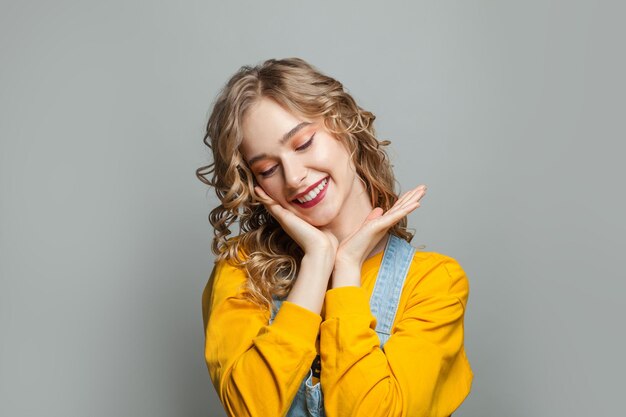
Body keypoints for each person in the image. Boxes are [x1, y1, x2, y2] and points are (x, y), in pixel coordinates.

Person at [197, 57, 473, 417]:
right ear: (255, 185)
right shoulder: (243, 272)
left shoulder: (434, 284)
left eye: (303, 144)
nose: (294, 177)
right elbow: (251, 410)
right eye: (267, 169)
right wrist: (316, 261)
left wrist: (345, 271)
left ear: (342, 125)